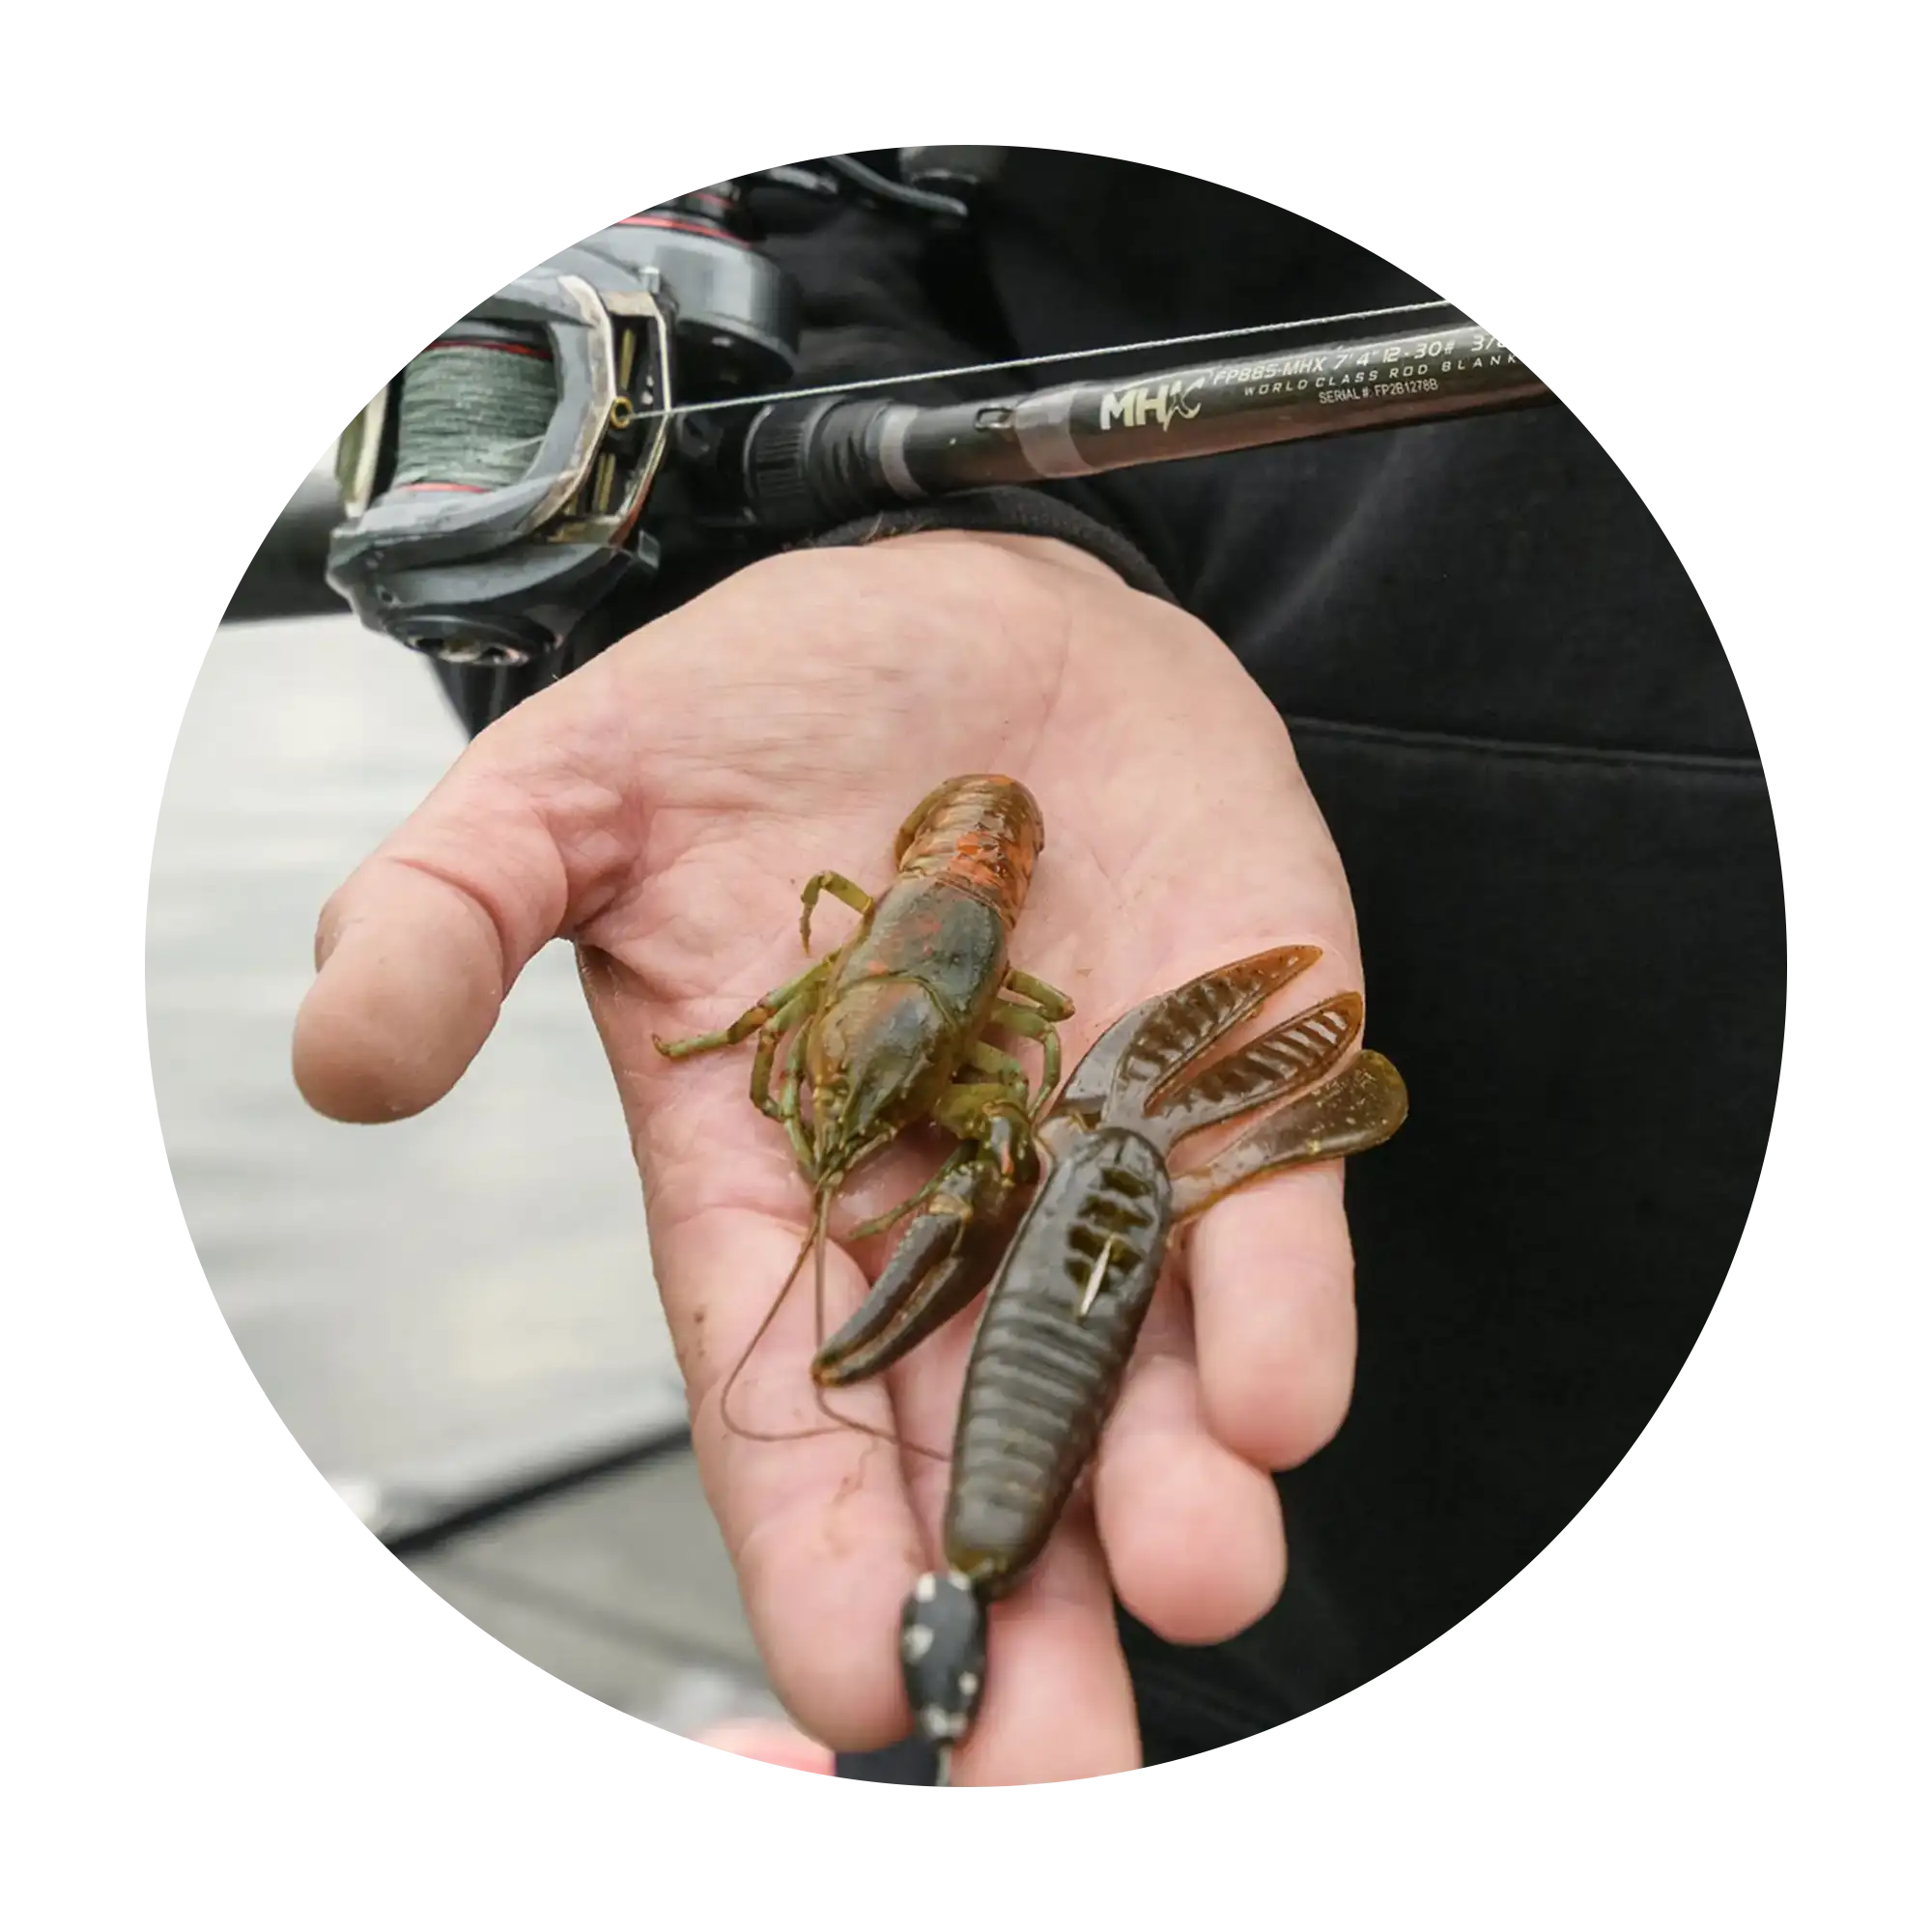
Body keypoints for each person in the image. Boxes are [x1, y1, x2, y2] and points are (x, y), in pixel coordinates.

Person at [291, 150, 1787, 1788]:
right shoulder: (860, 1006)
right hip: (1213, 1540)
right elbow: (788, 202)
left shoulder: (955, 1035)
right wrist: (848, 543)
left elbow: (1001, 1078)